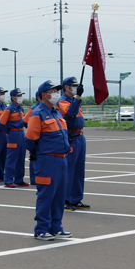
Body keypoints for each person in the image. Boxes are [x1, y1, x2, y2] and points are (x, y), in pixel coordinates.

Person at [25, 81, 72, 241]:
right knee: (46, 195)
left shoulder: (56, 112)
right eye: (52, 91)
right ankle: (41, 228)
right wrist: (41, 154)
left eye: (56, 91)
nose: (56, 94)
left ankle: (56, 227)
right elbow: (30, 139)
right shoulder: (37, 114)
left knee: (59, 195)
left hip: (61, 160)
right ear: (44, 95)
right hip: (47, 160)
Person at [58, 77, 90, 211]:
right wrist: (78, 98)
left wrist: (77, 99)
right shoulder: (63, 101)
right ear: (67, 87)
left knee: (78, 171)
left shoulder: (74, 101)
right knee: (69, 170)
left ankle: (76, 198)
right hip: (70, 137)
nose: (76, 87)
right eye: (73, 85)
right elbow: (70, 113)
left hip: (79, 137)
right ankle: (65, 199)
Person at [0, 88, 29, 187]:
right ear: (13, 98)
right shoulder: (9, 109)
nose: (20, 98)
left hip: (21, 133)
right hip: (13, 134)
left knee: (21, 157)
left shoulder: (20, 108)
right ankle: (8, 180)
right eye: (18, 96)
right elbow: (1, 123)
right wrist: (9, 131)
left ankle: (19, 179)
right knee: (12, 158)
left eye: (21, 95)